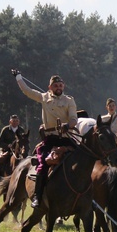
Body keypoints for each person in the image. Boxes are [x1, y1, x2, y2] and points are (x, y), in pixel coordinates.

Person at [12, 70, 77, 208]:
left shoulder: (69, 100)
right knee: (43, 164)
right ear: (50, 87)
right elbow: (27, 91)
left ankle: (89, 195)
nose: (58, 87)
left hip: (66, 137)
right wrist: (19, 78)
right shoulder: (43, 97)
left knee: (83, 158)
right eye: (55, 85)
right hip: (50, 138)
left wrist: (68, 125)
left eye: (60, 85)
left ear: (63, 86)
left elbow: (73, 119)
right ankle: (37, 196)